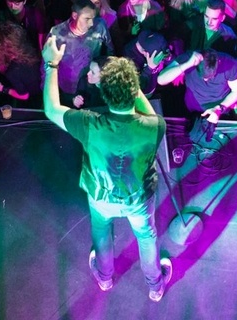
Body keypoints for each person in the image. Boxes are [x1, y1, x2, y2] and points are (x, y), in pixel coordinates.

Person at [42, 37, 172, 301]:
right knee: (146, 236)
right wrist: (129, 80)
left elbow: (51, 109)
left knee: (101, 233)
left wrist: (51, 65)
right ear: (134, 88)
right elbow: (146, 110)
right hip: (139, 199)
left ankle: (104, 279)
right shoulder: (156, 126)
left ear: (104, 92)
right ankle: (155, 286)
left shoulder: (90, 124)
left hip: (101, 197)